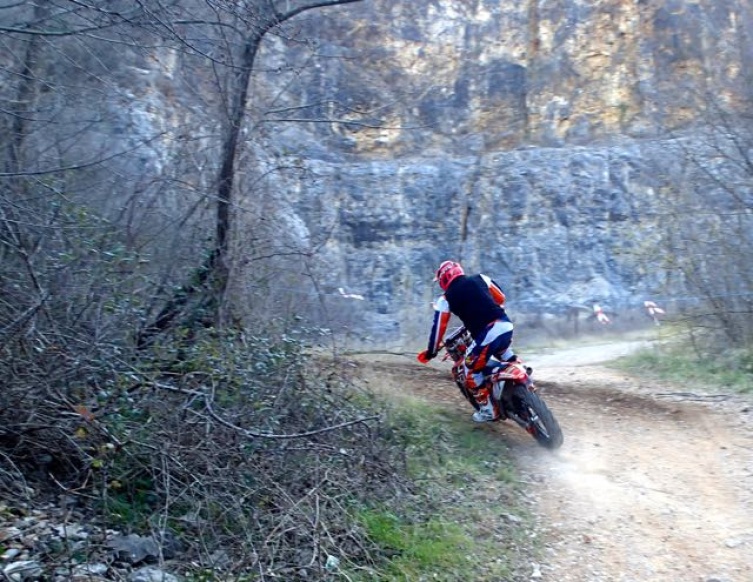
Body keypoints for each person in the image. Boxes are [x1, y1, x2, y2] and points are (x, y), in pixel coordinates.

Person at [417, 260, 515, 422]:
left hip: (488, 334)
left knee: (469, 371)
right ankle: (525, 377)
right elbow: (501, 297)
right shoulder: (480, 278)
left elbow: (438, 328)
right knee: (504, 352)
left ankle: (488, 410)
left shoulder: (446, 299)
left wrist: (431, 352)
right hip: (505, 325)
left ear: (443, 280)